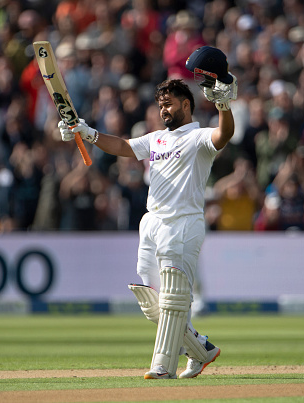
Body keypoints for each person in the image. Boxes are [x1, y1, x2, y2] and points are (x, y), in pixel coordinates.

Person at [59, 46, 237, 379]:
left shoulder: (198, 138)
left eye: (168, 104)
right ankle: (201, 350)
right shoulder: (156, 139)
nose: (163, 110)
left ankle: (163, 366)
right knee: (152, 302)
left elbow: (223, 134)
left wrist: (224, 104)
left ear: (186, 104)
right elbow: (124, 147)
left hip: (183, 222)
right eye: (160, 106)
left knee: (172, 298)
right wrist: (87, 132)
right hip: (152, 222)